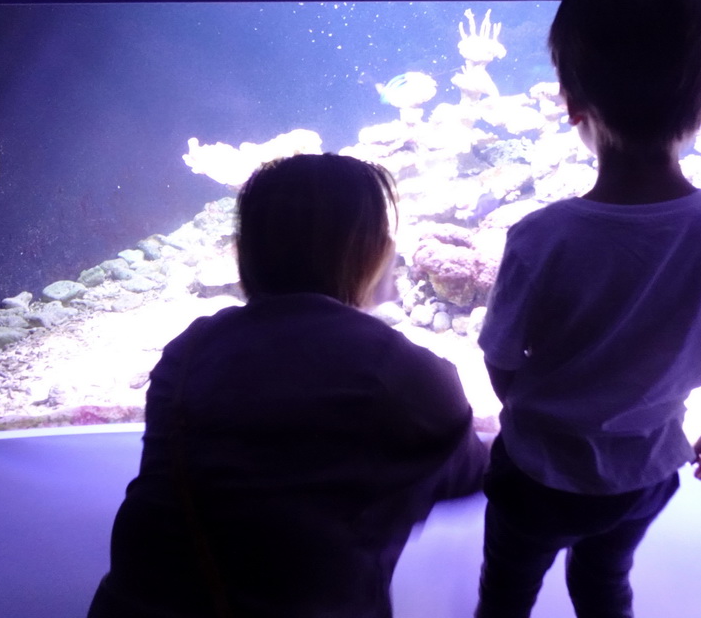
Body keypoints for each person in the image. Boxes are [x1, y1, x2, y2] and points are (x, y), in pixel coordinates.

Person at [474, 0, 701, 618]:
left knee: (506, 589)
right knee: (605, 582)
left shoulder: (542, 236)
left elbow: (500, 364)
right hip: (647, 475)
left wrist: (540, 411)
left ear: (572, 104)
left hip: (538, 477)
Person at [88, 153, 488, 618]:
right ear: (375, 251)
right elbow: (475, 472)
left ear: (242, 252)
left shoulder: (190, 351)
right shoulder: (398, 372)